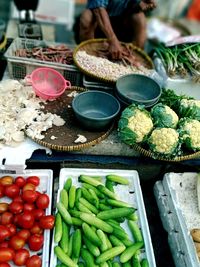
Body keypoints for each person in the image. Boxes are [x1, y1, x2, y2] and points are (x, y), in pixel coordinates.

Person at [74, 0, 156, 60]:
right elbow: (98, 10)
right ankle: (89, 56)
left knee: (140, 18)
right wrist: (113, 41)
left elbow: (132, 4)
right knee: (86, 18)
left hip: (122, 20)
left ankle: (132, 59)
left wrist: (140, 3)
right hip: (99, 21)